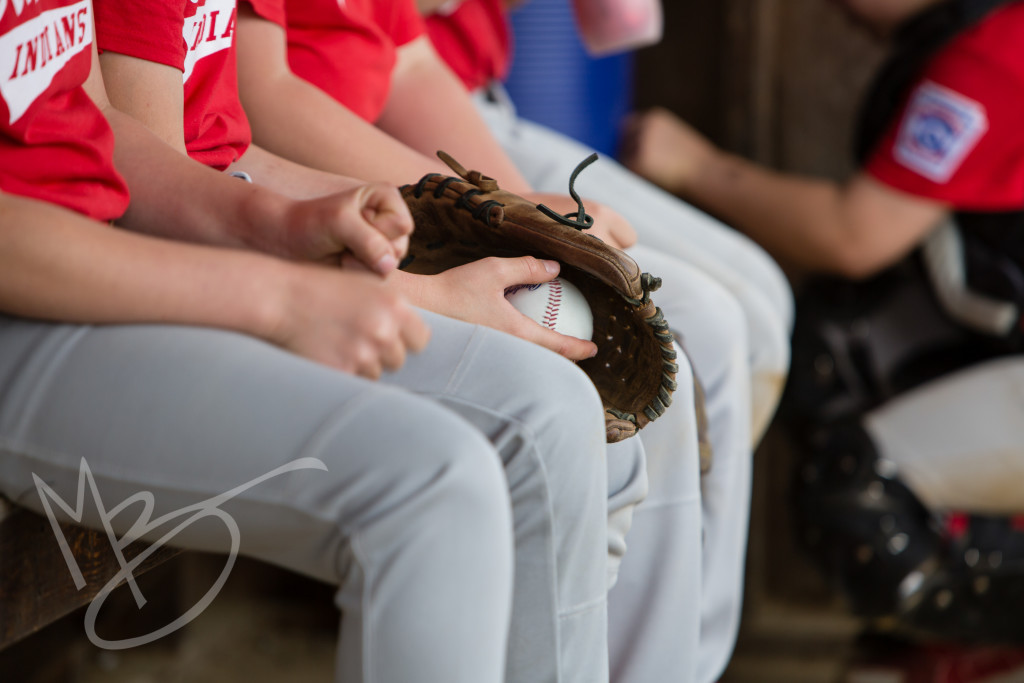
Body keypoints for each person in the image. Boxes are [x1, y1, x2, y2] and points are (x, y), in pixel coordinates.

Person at [0, 3, 634, 683]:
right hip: (42, 306)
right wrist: (281, 290)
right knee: (440, 486)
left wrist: (289, 222)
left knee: (559, 408)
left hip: (103, 264)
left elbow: (106, 137)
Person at [421, 2, 799, 681]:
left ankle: (687, 658)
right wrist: (504, 208)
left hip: (472, 98)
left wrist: (511, 206)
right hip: (405, 131)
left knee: (753, 315)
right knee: (699, 342)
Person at [625, 0, 1024, 639]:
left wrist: (697, 165)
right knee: (832, 346)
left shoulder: (999, 51)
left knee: (857, 492)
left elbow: (854, 234)